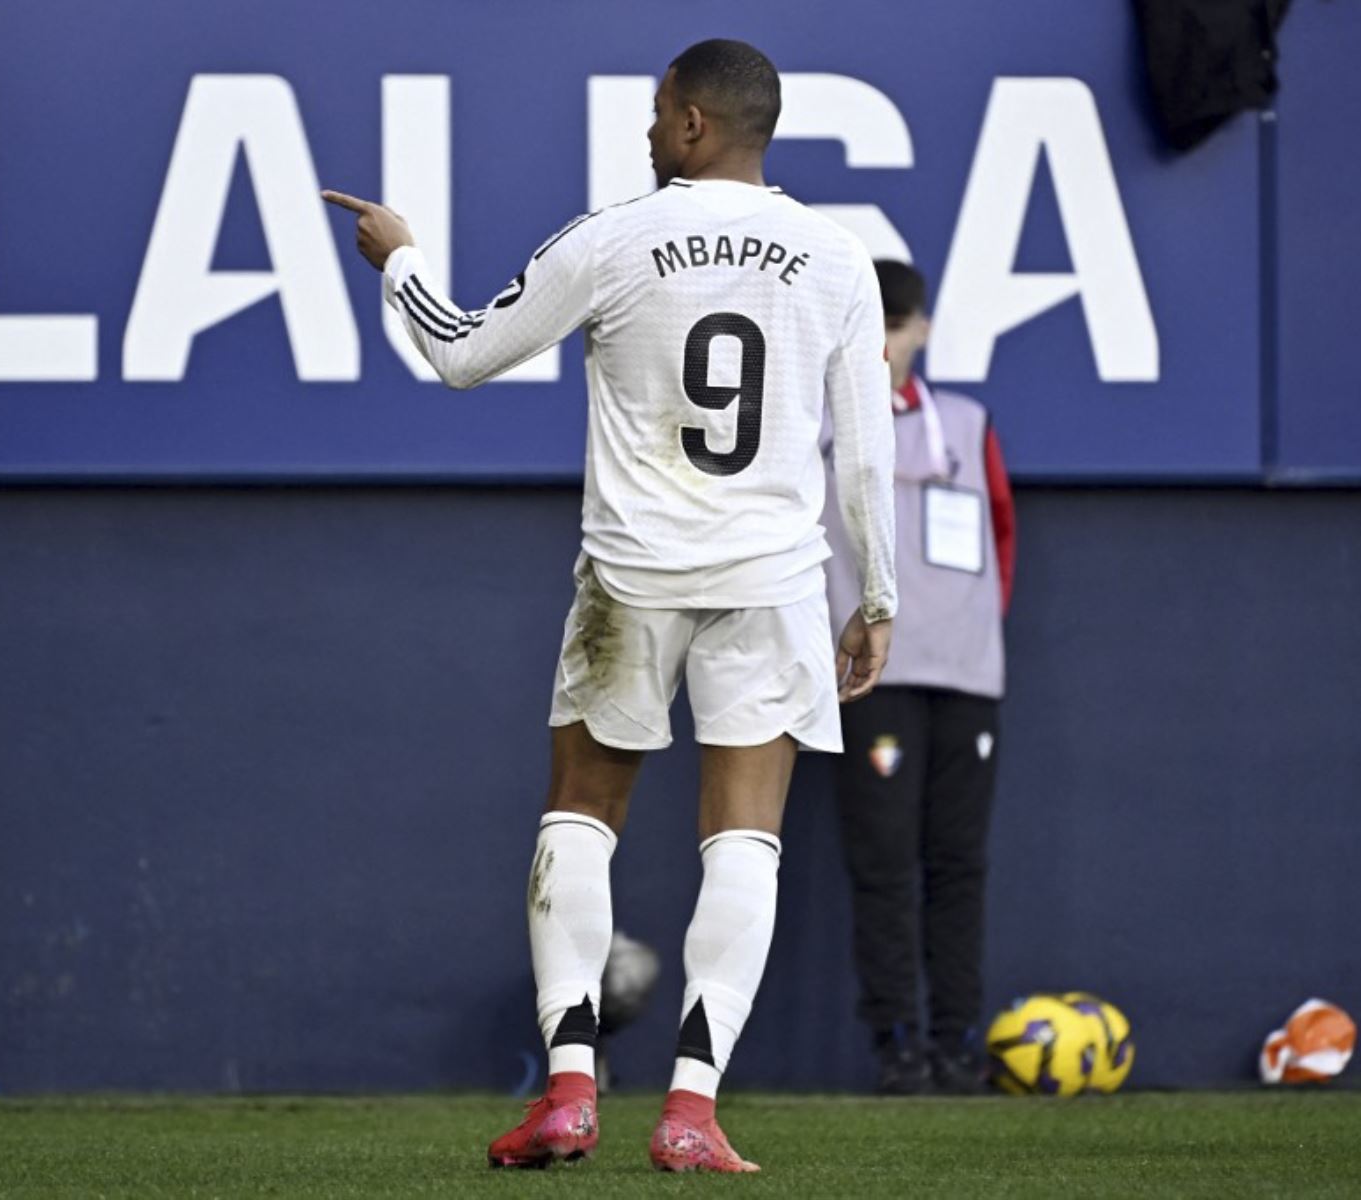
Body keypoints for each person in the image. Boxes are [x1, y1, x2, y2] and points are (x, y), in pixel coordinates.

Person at [325, 39, 896, 1173]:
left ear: (691, 124)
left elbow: (460, 354)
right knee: (745, 838)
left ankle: (571, 1092)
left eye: (655, 112)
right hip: (773, 580)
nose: (646, 130)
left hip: (631, 577)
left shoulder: (613, 238)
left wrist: (399, 261)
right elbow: (864, 455)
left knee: (581, 815)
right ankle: (691, 1111)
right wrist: (873, 593)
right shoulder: (837, 258)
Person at [820, 260, 1016, 1095]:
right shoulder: (816, 425)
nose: (888, 347)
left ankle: (954, 1042)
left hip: (966, 677)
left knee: (958, 863)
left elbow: (1003, 536)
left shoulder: (966, 425)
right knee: (884, 863)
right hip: (873, 679)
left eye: (898, 329)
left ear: (922, 331)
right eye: (875, 328)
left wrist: (970, 626)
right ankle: (897, 1045)